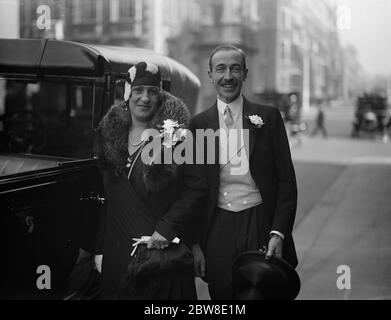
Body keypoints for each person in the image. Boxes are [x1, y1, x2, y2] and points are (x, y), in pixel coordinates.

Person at [190, 44, 298, 300]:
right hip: (217, 229)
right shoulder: (197, 126)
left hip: (259, 223)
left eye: (235, 68)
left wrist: (278, 232)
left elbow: (286, 182)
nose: (228, 76)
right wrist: (194, 243)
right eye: (221, 69)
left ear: (245, 74)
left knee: (261, 293)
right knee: (223, 294)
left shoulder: (268, 118)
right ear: (210, 75)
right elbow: (192, 190)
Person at [93, 61, 205, 299]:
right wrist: (100, 249)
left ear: (160, 95)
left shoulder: (178, 136)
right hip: (117, 248)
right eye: (138, 91)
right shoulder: (110, 133)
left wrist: (166, 229)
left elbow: (197, 189)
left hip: (158, 251)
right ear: (127, 93)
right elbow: (107, 198)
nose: (145, 98)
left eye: (152, 92)